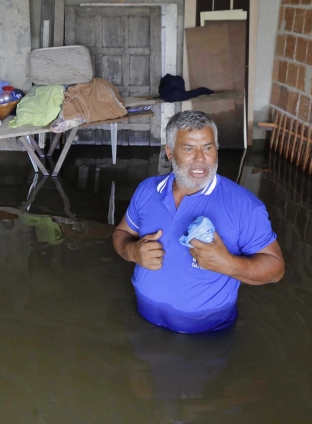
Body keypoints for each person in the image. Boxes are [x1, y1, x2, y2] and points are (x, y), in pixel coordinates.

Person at [113, 111, 284, 333]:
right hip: (144, 323)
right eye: (188, 148)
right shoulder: (148, 190)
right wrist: (132, 251)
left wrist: (229, 264)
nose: (200, 158)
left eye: (208, 147)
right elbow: (121, 233)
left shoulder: (245, 206)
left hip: (206, 333)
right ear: (169, 152)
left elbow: (276, 269)